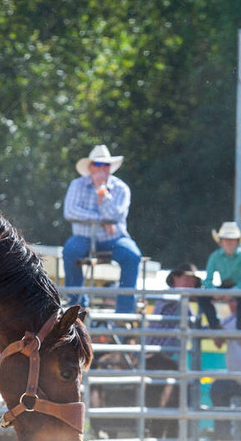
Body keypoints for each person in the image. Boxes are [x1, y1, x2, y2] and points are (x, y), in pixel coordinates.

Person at [62, 144, 142, 315]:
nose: (102, 169)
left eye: (106, 165)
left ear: (110, 168)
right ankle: (76, 304)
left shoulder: (121, 188)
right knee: (70, 250)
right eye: (98, 165)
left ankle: (125, 311)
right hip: (83, 238)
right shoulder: (77, 185)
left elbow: (116, 215)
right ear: (90, 167)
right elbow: (70, 211)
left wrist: (101, 193)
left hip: (114, 239)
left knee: (132, 255)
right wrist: (102, 220)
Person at [208, 297, 241, 441]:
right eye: (230, 301)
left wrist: (210, 318)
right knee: (218, 389)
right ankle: (223, 434)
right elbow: (219, 341)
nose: (231, 304)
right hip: (240, 378)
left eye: (235, 300)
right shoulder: (233, 318)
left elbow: (221, 335)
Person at [198, 222, 241, 331]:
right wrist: (214, 291)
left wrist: (232, 291)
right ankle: (215, 326)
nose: (229, 242)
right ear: (221, 242)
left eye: (232, 239)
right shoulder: (215, 257)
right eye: (226, 239)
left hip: (239, 289)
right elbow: (208, 280)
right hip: (224, 286)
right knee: (202, 296)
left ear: (237, 241)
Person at [147, 263, 201, 357]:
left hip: (157, 353)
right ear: (175, 277)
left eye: (194, 281)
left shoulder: (181, 301)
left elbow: (193, 323)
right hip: (154, 354)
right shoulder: (171, 296)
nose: (191, 284)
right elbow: (193, 323)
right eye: (187, 279)